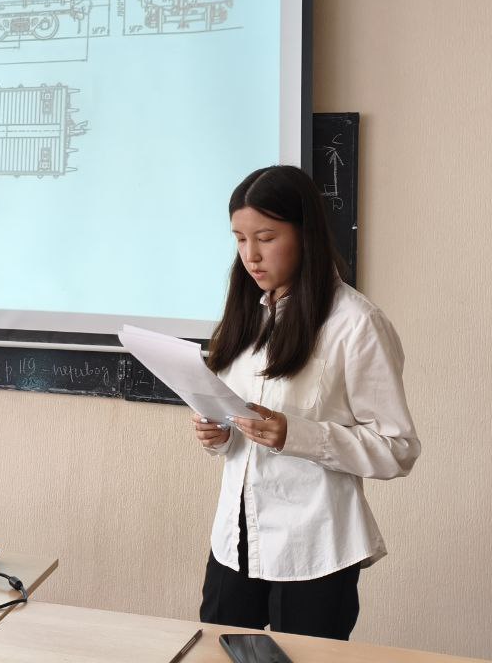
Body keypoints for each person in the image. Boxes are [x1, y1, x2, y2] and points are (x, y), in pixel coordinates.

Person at [193, 165, 420, 640]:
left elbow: (397, 449)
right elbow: (235, 427)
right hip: (235, 537)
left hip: (315, 545)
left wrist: (295, 435)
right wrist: (217, 434)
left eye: (266, 238)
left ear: (305, 234)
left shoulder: (356, 324)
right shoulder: (245, 314)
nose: (251, 256)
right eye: (240, 240)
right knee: (215, 650)